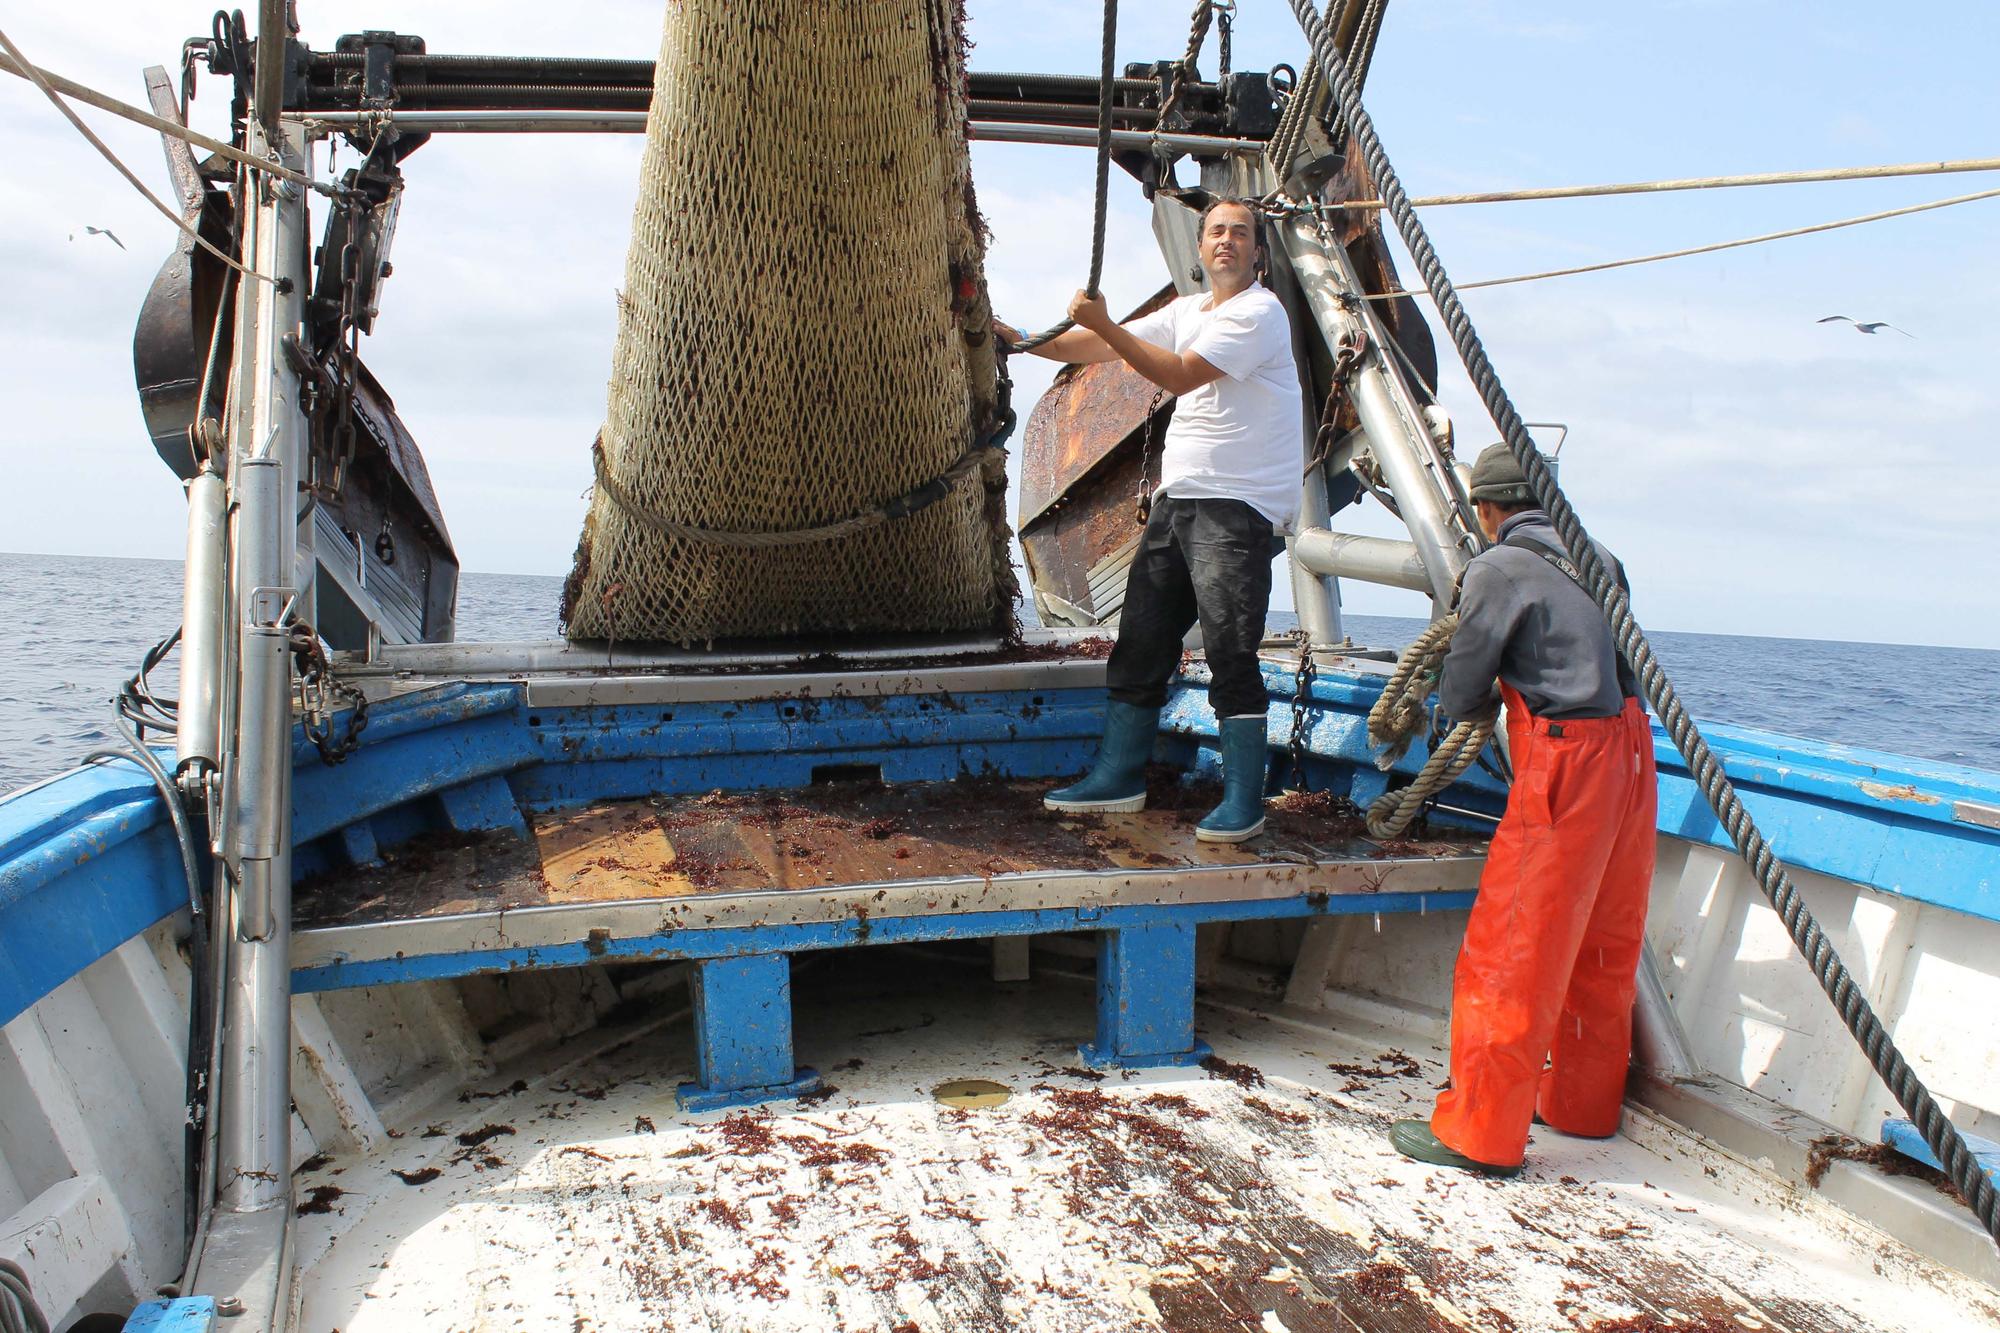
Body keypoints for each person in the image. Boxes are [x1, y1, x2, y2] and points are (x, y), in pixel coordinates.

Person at [995, 197, 1305, 842]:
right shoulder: (1190, 310)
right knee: (1139, 642)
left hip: (1236, 508)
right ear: (1199, 248)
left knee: (1230, 650)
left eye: (1240, 233)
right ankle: (1119, 776)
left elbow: (1178, 373)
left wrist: (1107, 325)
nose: (1226, 241)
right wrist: (1022, 340)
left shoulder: (1258, 312)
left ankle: (1245, 799)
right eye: (1216, 231)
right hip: (1179, 500)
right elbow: (1091, 346)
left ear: (1258, 253)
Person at [1390, 443, 1657, 1175]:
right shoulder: (1600, 553)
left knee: (1512, 949)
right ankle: (1581, 1104)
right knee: (1604, 939)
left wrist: (1466, 709)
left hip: (1565, 758)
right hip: (1633, 755)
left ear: (1485, 509)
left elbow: (1467, 678)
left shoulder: (1496, 567)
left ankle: (1478, 1132)